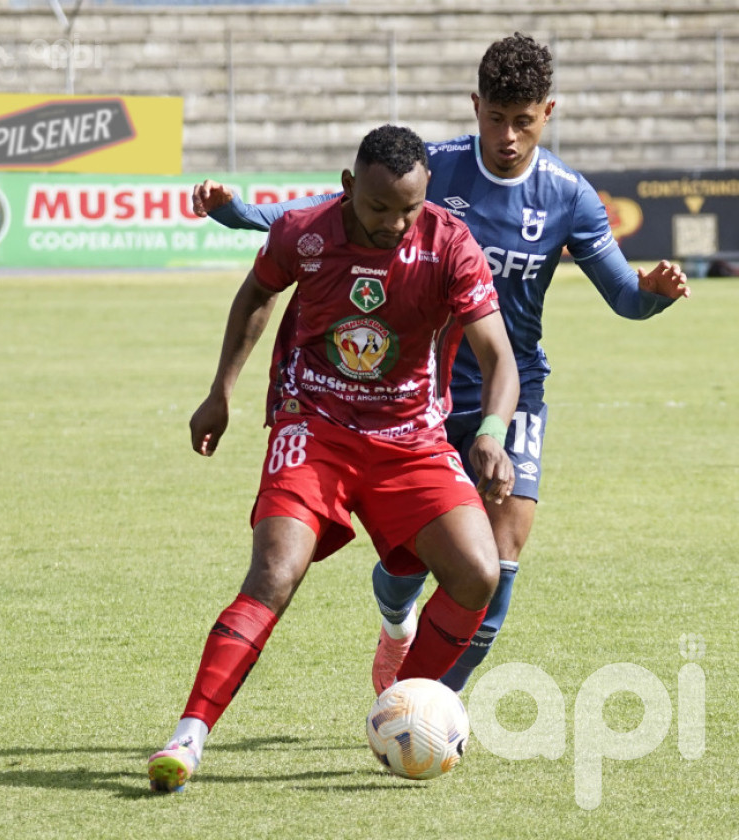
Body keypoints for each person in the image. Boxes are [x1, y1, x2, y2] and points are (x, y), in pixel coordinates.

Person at [190, 33, 691, 697]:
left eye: (524, 120)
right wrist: (238, 213)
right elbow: (325, 212)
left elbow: (625, 298)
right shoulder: (439, 170)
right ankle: (396, 618)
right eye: (495, 118)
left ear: (549, 112)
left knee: (498, 564)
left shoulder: (569, 196)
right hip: (417, 397)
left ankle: (428, 708)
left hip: (513, 392)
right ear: (475, 106)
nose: (508, 136)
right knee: (407, 573)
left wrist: (652, 295)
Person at [148, 124, 519, 792]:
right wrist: (220, 393)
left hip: (411, 439)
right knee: (274, 572)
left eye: (408, 209)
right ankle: (189, 735)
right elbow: (257, 295)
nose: (394, 224)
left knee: (477, 573)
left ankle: (403, 701)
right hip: (313, 425)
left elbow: (499, 357)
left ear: (427, 192)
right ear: (350, 188)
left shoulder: (450, 244)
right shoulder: (305, 231)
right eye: (379, 209)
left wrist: (490, 430)